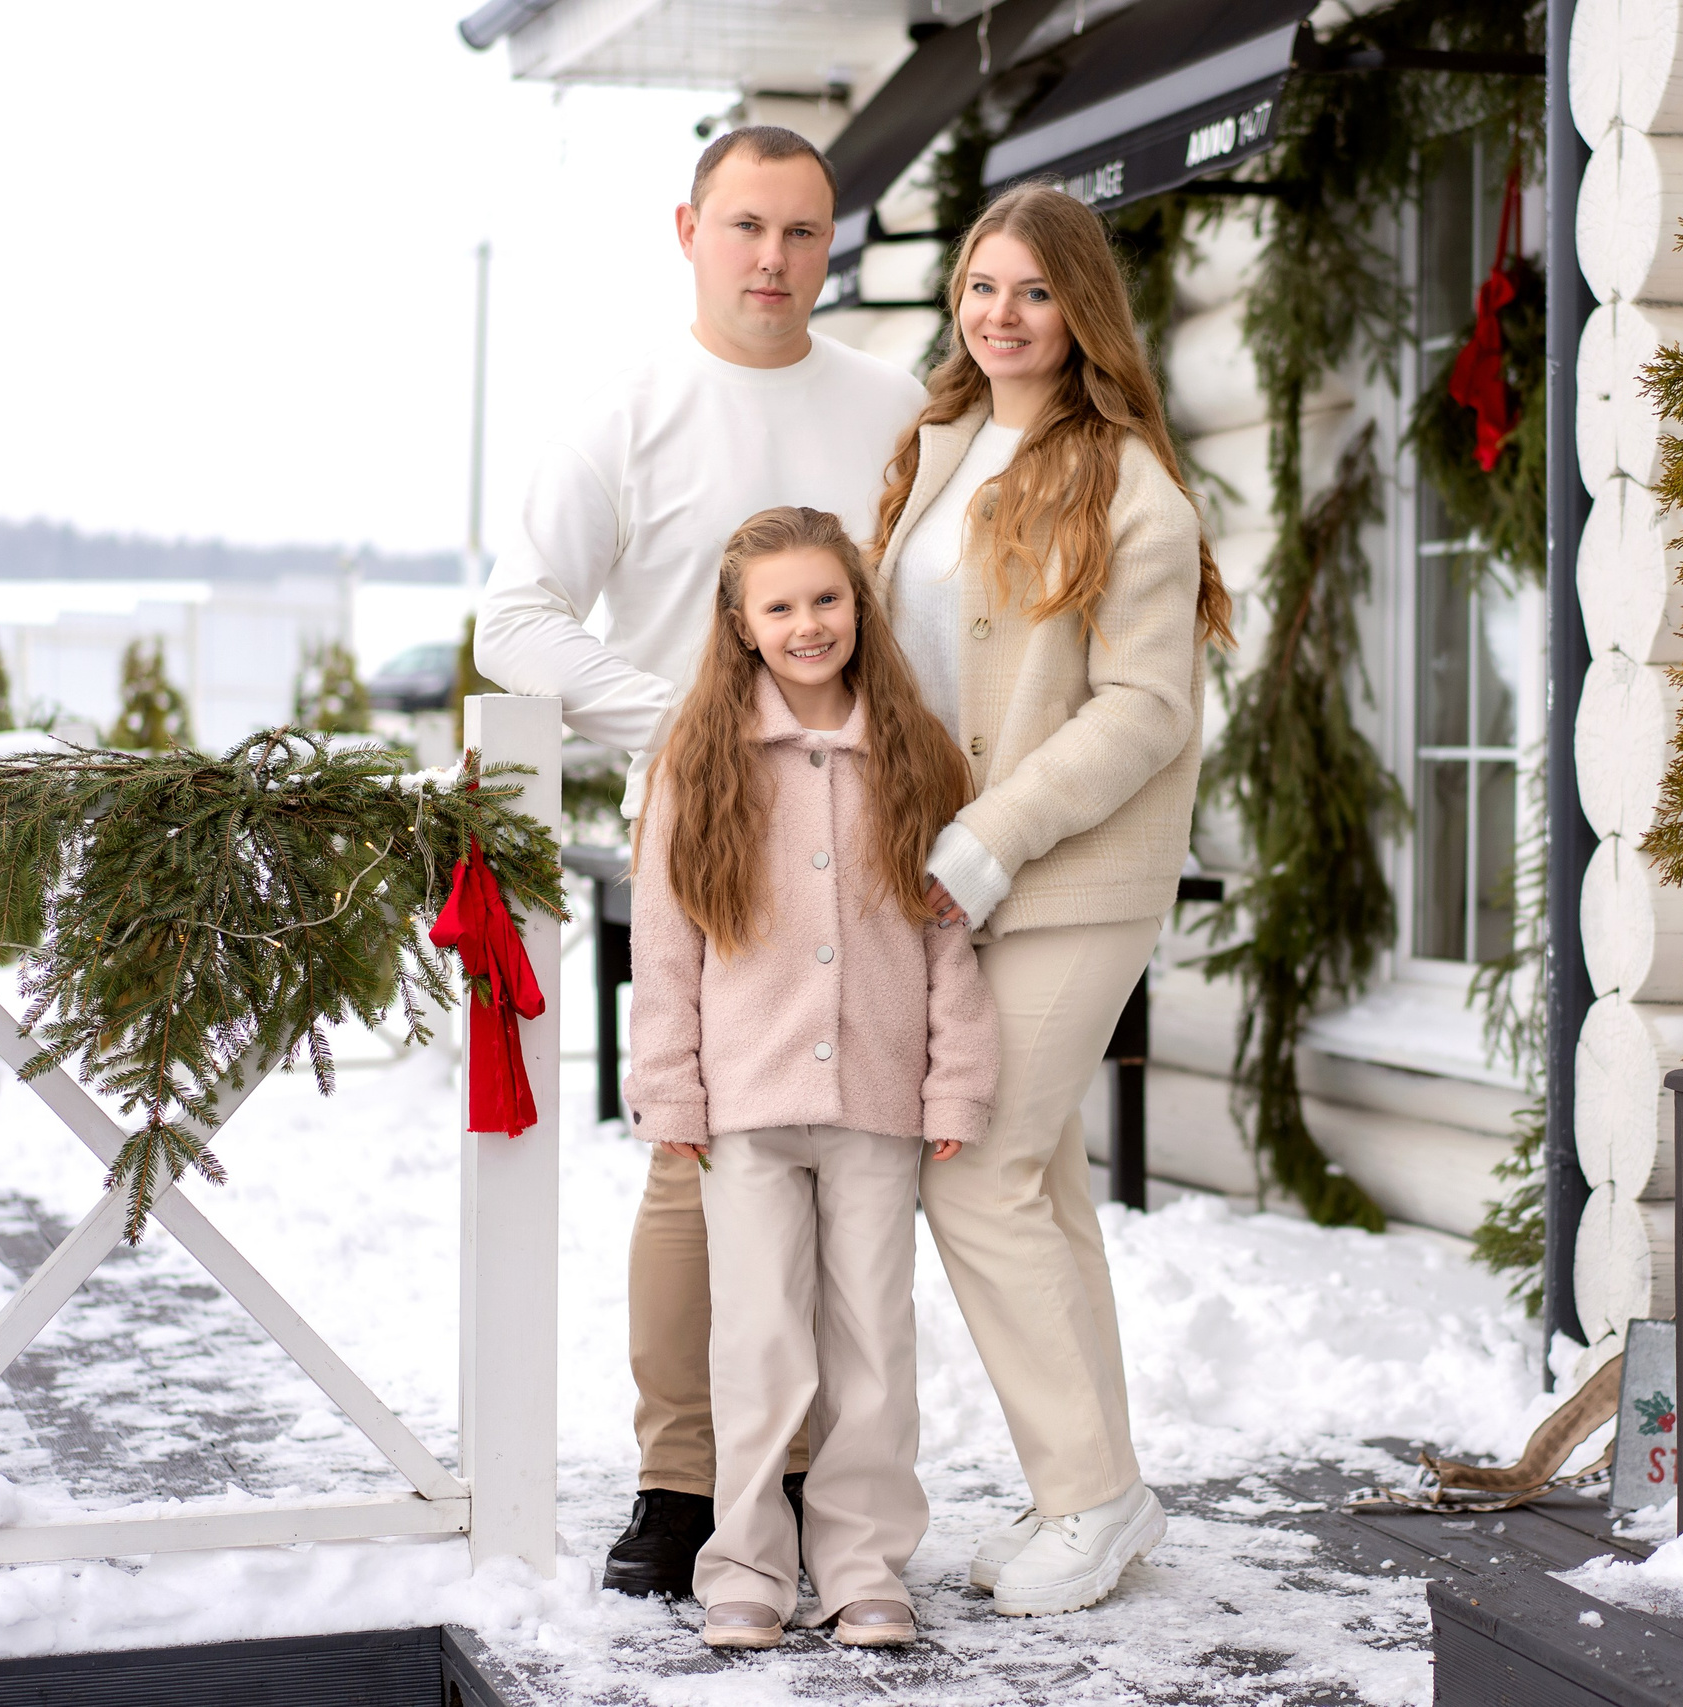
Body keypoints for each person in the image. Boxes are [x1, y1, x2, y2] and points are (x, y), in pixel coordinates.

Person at [474, 126, 926, 1597]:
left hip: (873, 840)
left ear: (832, 239)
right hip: (715, 839)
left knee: (850, 1166)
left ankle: (802, 1476)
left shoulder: (894, 405)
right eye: (745, 227)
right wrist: (687, 728)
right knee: (700, 1154)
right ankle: (682, 1479)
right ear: (689, 229)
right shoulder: (629, 408)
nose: (773, 260)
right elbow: (515, 618)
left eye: (801, 233)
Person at [872, 183, 1234, 1618]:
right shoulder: (936, 443)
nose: (1001, 315)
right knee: (1043, 1181)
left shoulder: (1131, 481)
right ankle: (1103, 1487)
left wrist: (992, 834)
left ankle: (1085, 1494)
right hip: (949, 869)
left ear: (1081, 308)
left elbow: (1147, 708)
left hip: (1069, 877)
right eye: (981, 286)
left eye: (1032, 290)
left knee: (974, 1165)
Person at [624, 505, 997, 1650]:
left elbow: (948, 936)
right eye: (778, 607)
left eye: (825, 599)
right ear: (739, 626)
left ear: (859, 607)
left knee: (873, 1345)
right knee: (760, 1343)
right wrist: (671, 1092)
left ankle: (864, 1567)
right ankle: (744, 1564)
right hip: (745, 1108)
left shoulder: (917, 753)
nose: (806, 624)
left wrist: (955, 1083)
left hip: (879, 1103)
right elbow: (664, 941)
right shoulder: (696, 762)